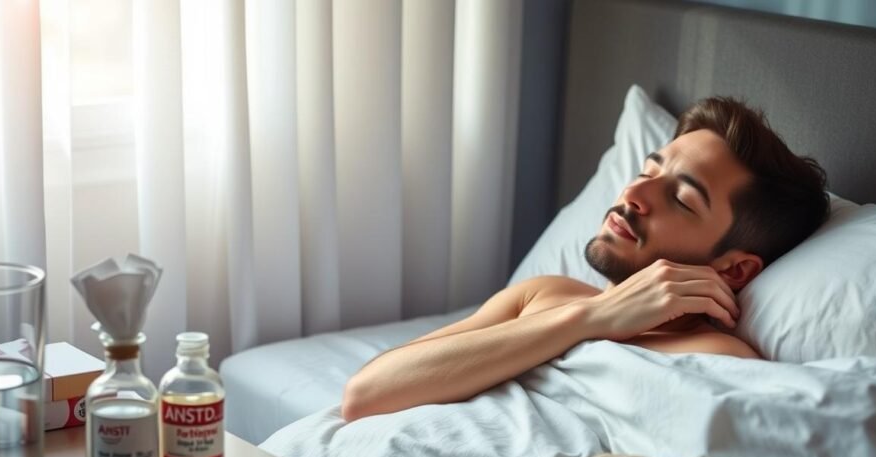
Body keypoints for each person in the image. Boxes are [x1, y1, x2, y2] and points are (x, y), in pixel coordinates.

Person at [341, 97, 829, 422]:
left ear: (733, 269)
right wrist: (594, 317)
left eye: (681, 199)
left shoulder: (718, 359)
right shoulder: (546, 294)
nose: (634, 193)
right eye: (645, 170)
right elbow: (366, 395)